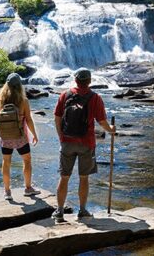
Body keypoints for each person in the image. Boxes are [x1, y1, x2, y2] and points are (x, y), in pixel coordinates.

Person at [52, 68, 116, 222]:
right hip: (86, 143)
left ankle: (59, 212)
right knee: (84, 177)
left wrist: (61, 136)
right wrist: (111, 130)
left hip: (67, 141)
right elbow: (101, 122)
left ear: (75, 80)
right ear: (90, 81)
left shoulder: (65, 95)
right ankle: (82, 210)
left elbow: (57, 117)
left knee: (64, 177)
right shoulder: (95, 97)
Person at [0, 73, 41, 200]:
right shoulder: (24, 101)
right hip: (20, 137)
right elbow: (28, 120)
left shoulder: (0, 100)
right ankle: (28, 188)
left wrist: (2, 135)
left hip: (5, 137)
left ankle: (7, 191)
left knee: (6, 162)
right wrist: (34, 135)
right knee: (27, 160)